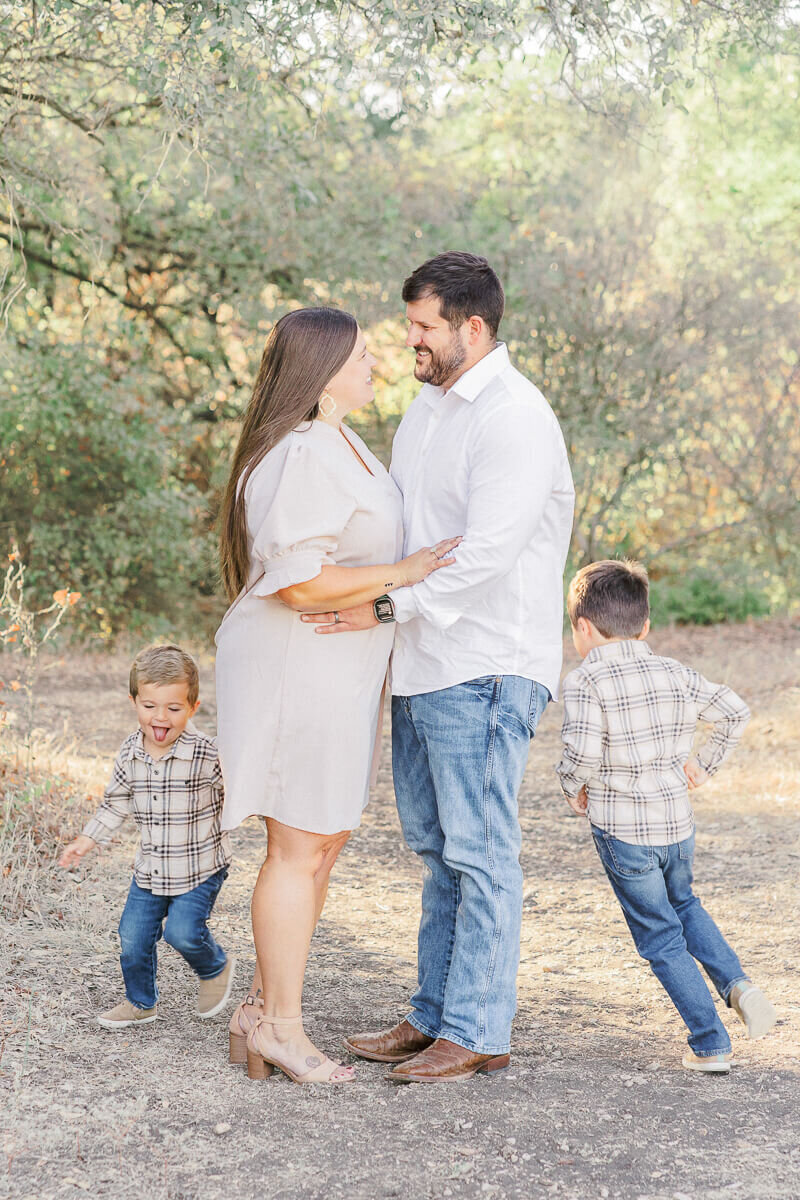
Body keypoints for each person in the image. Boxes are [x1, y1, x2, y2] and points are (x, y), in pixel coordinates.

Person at [307, 253, 575, 1082]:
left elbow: (486, 556)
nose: (411, 340)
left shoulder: (514, 418)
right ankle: (434, 1013)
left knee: (481, 850)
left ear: (473, 326)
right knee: (435, 848)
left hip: (487, 665)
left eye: (424, 326)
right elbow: (408, 536)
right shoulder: (427, 411)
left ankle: (478, 1029)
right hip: (423, 662)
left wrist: (381, 608)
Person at [215, 306, 459, 1085]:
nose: (376, 365)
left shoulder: (339, 443)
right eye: (360, 356)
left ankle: (260, 1009)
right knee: (298, 845)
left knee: (320, 843)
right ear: (319, 375)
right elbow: (298, 581)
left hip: (337, 673)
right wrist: (404, 572)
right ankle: (281, 1028)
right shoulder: (304, 451)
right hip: (299, 669)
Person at [555, 558, 777, 1072]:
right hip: (677, 825)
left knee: (659, 935)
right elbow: (735, 711)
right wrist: (703, 765)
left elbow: (583, 754)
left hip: (624, 831)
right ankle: (737, 985)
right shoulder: (673, 671)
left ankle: (710, 1044)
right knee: (685, 904)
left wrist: (572, 786)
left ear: (582, 628)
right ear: (646, 624)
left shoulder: (586, 680)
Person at [58, 645, 235, 1028]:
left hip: (199, 867)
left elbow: (236, 793)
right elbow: (115, 803)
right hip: (151, 871)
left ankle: (215, 967)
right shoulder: (130, 752)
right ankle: (141, 1002)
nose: (160, 717)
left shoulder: (206, 754)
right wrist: (86, 839)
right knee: (133, 937)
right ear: (134, 701)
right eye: (149, 706)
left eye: (173, 709)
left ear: (193, 707)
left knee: (183, 933)